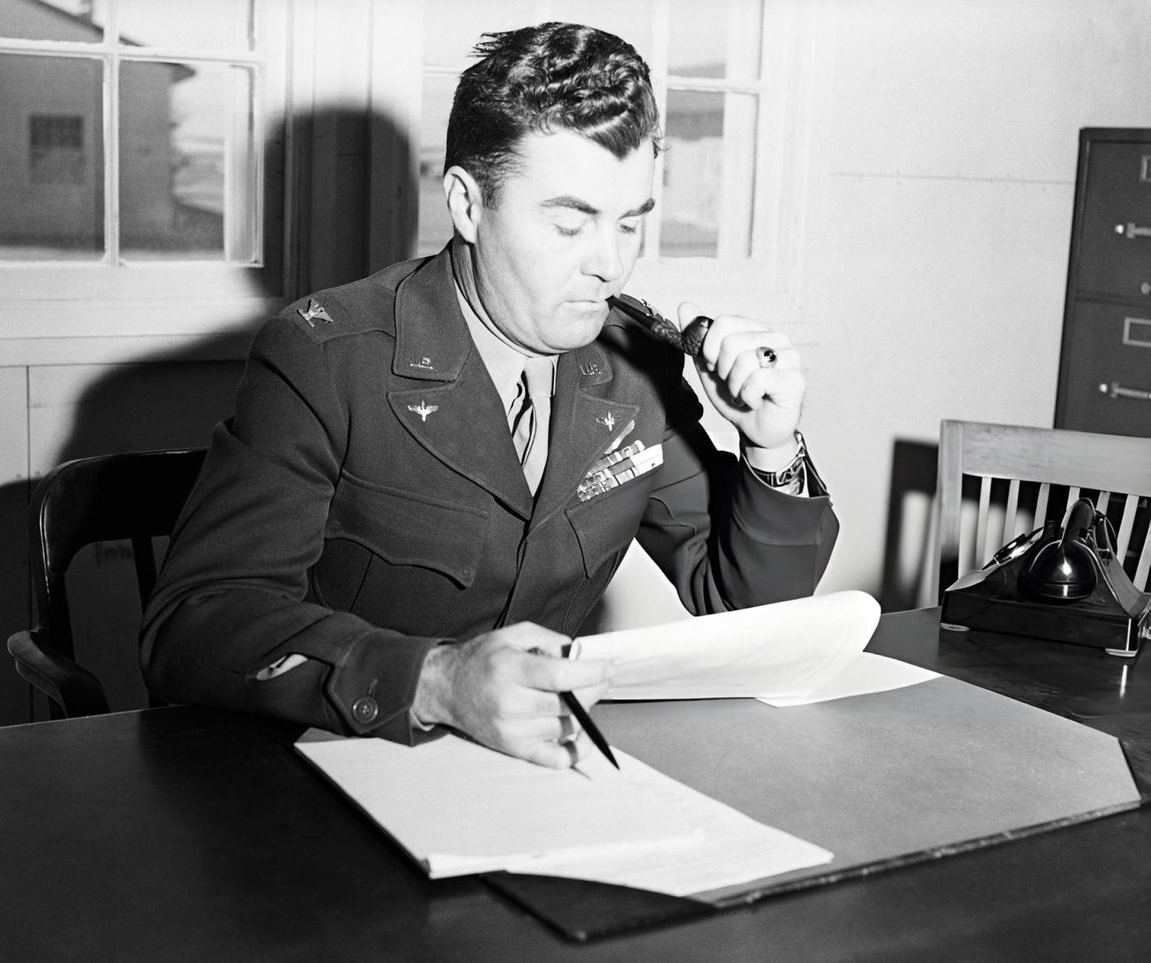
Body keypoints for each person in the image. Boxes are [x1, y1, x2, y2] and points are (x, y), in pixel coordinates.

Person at [139, 22, 837, 769]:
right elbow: (194, 624)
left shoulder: (635, 368)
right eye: (571, 223)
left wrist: (769, 445)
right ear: (468, 205)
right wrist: (436, 681)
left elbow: (742, 611)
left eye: (632, 221)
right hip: (328, 768)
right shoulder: (325, 359)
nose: (611, 265)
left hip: (535, 773)